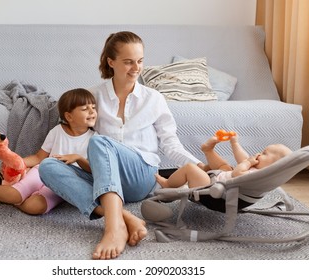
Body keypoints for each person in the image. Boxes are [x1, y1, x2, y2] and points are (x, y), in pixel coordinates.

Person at [38, 31, 204, 260]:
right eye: (128, 62)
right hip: (102, 176)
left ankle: (113, 229)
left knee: (99, 141)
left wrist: (199, 166)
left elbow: (170, 143)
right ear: (111, 62)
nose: (136, 68)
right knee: (47, 167)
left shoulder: (153, 98)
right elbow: (76, 128)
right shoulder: (94, 95)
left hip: (140, 176)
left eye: (140, 61)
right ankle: (124, 217)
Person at [0, 88, 97, 215]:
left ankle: (3, 198)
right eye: (85, 108)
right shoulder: (57, 131)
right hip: (41, 171)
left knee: (35, 207)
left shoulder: (95, 139)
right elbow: (39, 157)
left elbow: (93, 171)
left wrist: (78, 158)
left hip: (61, 183)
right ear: (69, 116)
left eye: (94, 107)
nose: (92, 112)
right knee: (16, 194)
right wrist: (18, 162)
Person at [155, 134, 292, 189]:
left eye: (264, 154)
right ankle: (208, 151)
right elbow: (242, 160)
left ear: (273, 165)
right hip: (221, 177)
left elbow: (238, 173)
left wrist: (248, 163)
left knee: (191, 168)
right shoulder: (258, 170)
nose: (259, 154)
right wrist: (235, 143)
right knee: (225, 166)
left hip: (211, 187)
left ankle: (168, 184)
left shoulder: (257, 176)